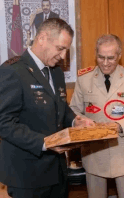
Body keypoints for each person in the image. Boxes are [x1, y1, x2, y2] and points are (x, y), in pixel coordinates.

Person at [0, 18, 93, 198]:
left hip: (57, 171)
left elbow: (61, 107)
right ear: (42, 38)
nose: (64, 56)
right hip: (27, 174)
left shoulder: (56, 71)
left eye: (67, 50)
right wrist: (45, 143)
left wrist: (76, 120)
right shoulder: (13, 71)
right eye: (60, 48)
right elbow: (4, 123)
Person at [70, 34, 124, 198]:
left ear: (119, 56)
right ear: (95, 54)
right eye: (101, 57)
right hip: (94, 153)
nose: (105, 63)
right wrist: (77, 121)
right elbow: (74, 110)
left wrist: (120, 126)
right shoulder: (84, 78)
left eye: (111, 58)